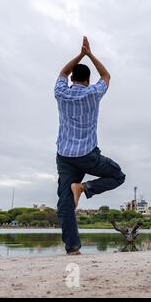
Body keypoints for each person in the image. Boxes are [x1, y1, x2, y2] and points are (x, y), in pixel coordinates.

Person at [55, 37, 126, 255]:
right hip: (88, 155)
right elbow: (106, 76)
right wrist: (90, 54)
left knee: (65, 202)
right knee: (118, 176)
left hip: (65, 156)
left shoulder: (61, 92)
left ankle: (72, 248)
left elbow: (62, 74)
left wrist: (80, 55)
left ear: (74, 78)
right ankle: (85, 188)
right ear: (87, 80)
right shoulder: (92, 94)